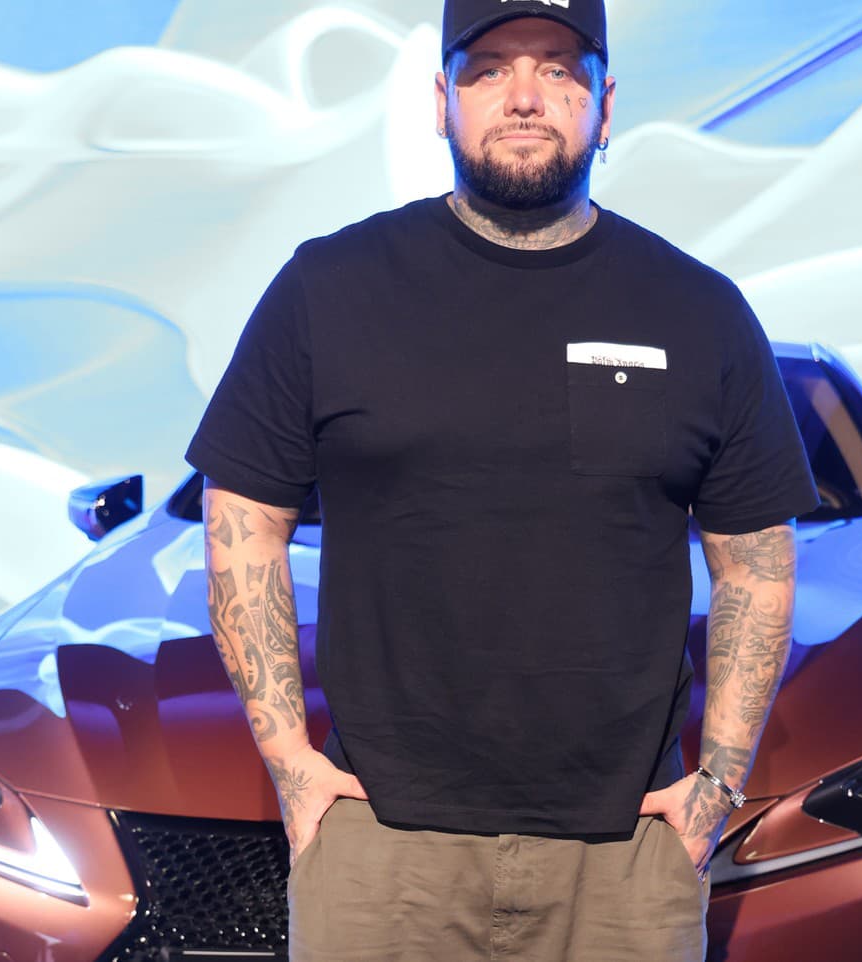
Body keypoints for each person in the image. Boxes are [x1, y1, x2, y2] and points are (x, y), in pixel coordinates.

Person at [186, 0, 819, 958]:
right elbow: (243, 515)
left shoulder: (699, 310)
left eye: (559, 68)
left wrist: (718, 785)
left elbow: (757, 564)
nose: (525, 96)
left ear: (607, 106)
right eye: (488, 68)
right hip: (381, 850)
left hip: (625, 857)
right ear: (441, 100)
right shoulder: (330, 287)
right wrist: (288, 760)